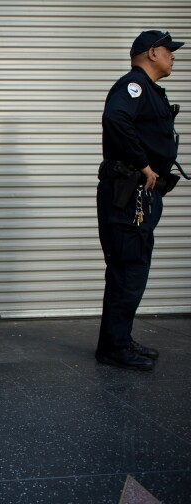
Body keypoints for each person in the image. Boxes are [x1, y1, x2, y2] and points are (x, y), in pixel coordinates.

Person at [96, 30, 184, 370]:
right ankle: (114, 347)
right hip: (128, 192)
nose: (173, 56)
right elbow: (115, 118)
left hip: (140, 194)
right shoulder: (133, 86)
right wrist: (144, 164)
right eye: (168, 50)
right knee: (128, 270)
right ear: (151, 53)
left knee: (134, 269)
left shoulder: (147, 90)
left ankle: (118, 339)